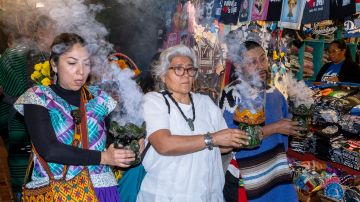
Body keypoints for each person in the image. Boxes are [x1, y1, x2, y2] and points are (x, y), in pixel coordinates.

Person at [13, 33, 135, 201]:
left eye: (86, 64)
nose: (81, 71)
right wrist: (103, 157)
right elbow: (50, 150)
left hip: (101, 189)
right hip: (57, 191)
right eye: (72, 63)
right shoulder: (38, 97)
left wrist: (133, 141)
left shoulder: (100, 98)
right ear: (54, 65)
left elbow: (117, 136)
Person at [137, 44, 249, 202]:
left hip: (206, 195)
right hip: (165, 195)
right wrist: (212, 138)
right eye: (178, 69)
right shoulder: (154, 101)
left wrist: (237, 137)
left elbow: (223, 148)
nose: (186, 75)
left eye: (190, 69)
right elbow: (164, 144)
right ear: (163, 75)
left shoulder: (206, 103)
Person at [219, 41, 302, 202]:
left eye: (263, 59)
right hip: (245, 177)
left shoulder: (274, 92)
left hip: (275, 173)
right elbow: (230, 140)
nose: (260, 66)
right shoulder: (231, 95)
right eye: (252, 62)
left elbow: (284, 140)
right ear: (239, 66)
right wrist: (275, 128)